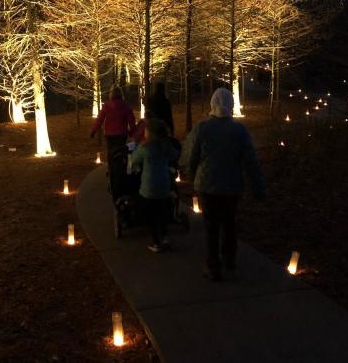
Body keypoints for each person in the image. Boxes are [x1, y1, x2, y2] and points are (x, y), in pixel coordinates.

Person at [181, 87, 265, 280]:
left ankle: (213, 267)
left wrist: (193, 177)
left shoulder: (202, 128)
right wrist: (258, 186)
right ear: (230, 104)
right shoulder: (239, 130)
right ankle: (229, 260)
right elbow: (250, 160)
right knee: (229, 223)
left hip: (207, 185)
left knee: (211, 226)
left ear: (212, 103)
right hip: (232, 186)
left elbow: (192, 157)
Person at [131, 118, 179, 253]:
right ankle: (164, 236)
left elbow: (135, 159)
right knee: (162, 212)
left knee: (152, 215)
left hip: (149, 187)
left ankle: (156, 242)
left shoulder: (145, 147)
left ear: (150, 133)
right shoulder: (166, 146)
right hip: (164, 185)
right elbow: (175, 155)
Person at [91, 86, 136, 197]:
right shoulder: (125, 106)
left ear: (111, 94)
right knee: (121, 154)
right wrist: (132, 132)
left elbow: (100, 119)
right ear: (121, 94)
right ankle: (120, 173)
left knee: (111, 154)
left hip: (110, 135)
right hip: (121, 135)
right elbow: (131, 120)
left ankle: (111, 172)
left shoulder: (106, 106)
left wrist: (93, 131)